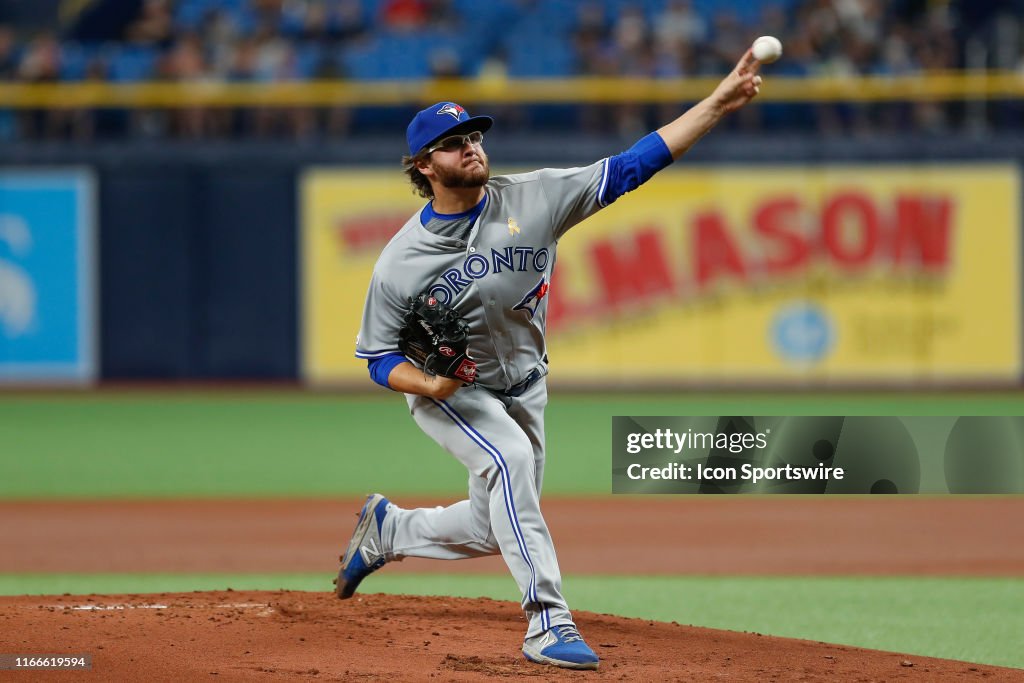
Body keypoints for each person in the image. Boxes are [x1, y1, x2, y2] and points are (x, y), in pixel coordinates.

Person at [338, 48, 765, 671]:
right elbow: (377, 356)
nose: (471, 148)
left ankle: (390, 531)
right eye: (454, 143)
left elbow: (633, 165)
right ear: (423, 165)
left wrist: (718, 103)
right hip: (457, 393)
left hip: (527, 383)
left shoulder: (534, 197)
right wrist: (429, 384)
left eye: (474, 135)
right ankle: (547, 619)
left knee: (494, 526)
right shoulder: (400, 260)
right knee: (507, 459)